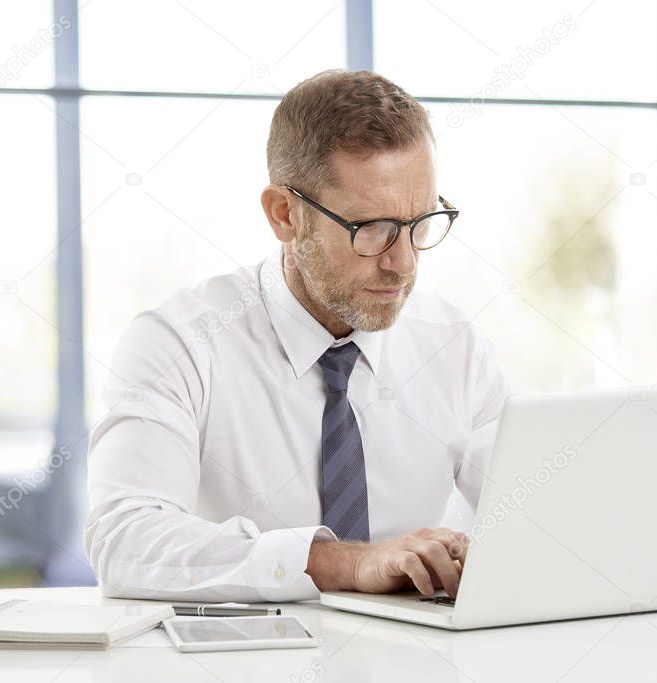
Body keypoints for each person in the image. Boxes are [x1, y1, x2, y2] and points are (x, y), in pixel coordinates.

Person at [84, 69, 509, 603]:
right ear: (285, 215)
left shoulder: (455, 347)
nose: (402, 263)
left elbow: (544, 518)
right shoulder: (181, 343)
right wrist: (342, 562)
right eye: (370, 228)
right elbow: (123, 540)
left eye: (420, 222)